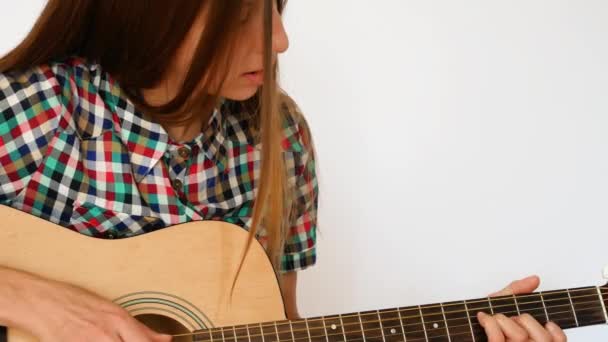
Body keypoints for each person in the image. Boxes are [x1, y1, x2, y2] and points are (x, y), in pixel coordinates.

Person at [0, 1, 566, 341]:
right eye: (242, 13)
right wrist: (41, 303)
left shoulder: (280, 138)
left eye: (275, 6)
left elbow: (280, 323)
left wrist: (462, 328)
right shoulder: (42, 111)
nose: (279, 40)